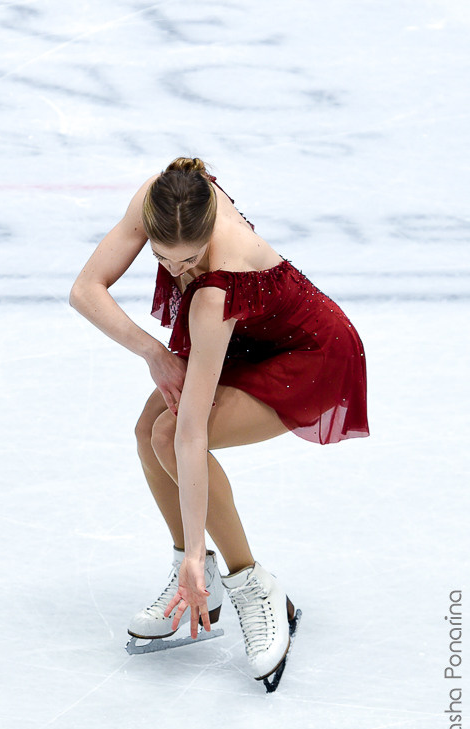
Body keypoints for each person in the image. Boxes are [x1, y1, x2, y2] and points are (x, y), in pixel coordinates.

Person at [69, 156, 369, 690]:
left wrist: (190, 542)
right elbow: (85, 289)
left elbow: (190, 434)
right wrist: (154, 353)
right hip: (249, 338)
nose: (178, 270)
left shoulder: (214, 292)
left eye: (189, 259)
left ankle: (251, 582)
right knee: (147, 429)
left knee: (167, 432)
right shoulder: (171, 196)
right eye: (164, 258)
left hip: (309, 353)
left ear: (209, 231)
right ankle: (197, 568)